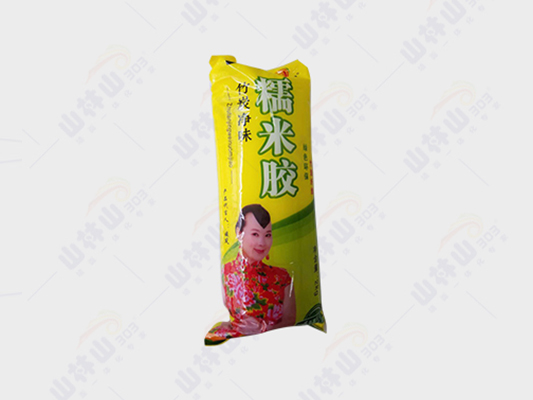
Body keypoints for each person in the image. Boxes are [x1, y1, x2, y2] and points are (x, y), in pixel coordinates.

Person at [206, 204, 296, 341]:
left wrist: (263, 329)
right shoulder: (227, 272)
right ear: (239, 233)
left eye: (267, 235)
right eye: (255, 234)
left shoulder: (281, 277)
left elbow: (290, 320)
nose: (262, 242)